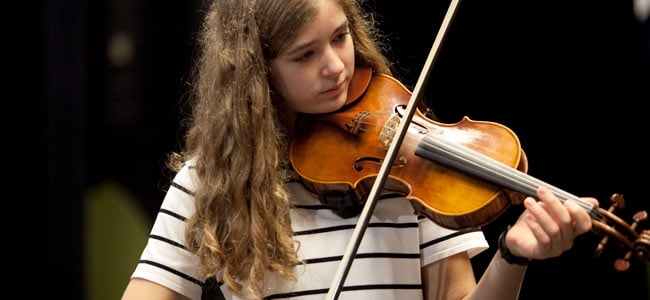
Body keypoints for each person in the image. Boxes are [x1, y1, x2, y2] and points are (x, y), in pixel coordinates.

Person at [121, 0, 599, 299]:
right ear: (256, 74)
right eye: (304, 55)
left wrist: (512, 257)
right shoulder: (211, 184)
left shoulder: (410, 163)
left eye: (340, 37)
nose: (334, 66)